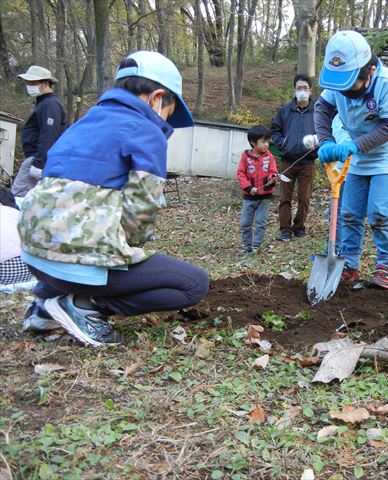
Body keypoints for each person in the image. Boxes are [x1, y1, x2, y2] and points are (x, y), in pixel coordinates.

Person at [18, 51, 209, 347]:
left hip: (34, 260)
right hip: (74, 265)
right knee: (193, 284)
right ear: (156, 98)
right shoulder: (147, 131)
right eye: (170, 112)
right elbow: (140, 214)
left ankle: (46, 307)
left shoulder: (83, 123)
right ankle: (84, 306)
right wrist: (129, 249)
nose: (166, 123)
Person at [314, 30, 388, 289]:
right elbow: (322, 109)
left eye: (350, 85)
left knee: (379, 211)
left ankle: (385, 266)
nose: (344, 92)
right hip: (356, 154)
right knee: (349, 213)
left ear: (367, 71)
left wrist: (352, 146)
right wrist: (326, 141)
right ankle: (349, 265)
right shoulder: (339, 82)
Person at [271, 74, 317, 241]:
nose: (302, 91)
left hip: (308, 161)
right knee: (285, 198)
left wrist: (317, 145)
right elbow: (275, 130)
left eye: (305, 88)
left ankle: (299, 227)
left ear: (310, 91)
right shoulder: (285, 110)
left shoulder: (317, 111)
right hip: (287, 161)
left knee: (304, 197)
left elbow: (325, 131)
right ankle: (285, 230)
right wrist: (282, 144)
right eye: (299, 88)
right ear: (294, 90)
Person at [12, 65, 67, 198]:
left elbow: (49, 134)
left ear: (45, 83)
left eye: (33, 83)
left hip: (37, 159)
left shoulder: (50, 105)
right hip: (37, 157)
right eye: (28, 83)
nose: (29, 86)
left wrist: (38, 163)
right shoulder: (43, 103)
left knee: (18, 195)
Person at [237, 125, 279, 255]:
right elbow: (241, 174)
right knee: (245, 223)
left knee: (261, 222)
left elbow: (273, 171)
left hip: (265, 197)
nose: (267, 144)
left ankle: (256, 246)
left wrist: (273, 179)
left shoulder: (269, 157)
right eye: (263, 141)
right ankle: (246, 246)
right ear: (253, 143)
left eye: (268, 141)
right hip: (249, 198)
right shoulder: (245, 157)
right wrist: (249, 188)